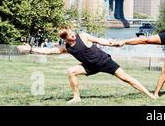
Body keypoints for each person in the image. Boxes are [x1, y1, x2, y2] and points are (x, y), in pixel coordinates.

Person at [17, 28, 157, 102]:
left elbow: (102, 41)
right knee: (71, 71)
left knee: (127, 78)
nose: (73, 36)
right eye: (69, 36)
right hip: (90, 66)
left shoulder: (83, 36)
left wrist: (116, 43)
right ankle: (76, 97)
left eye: (72, 33)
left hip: (105, 62)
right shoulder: (66, 47)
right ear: (65, 39)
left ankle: (150, 96)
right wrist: (31, 49)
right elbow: (48, 51)